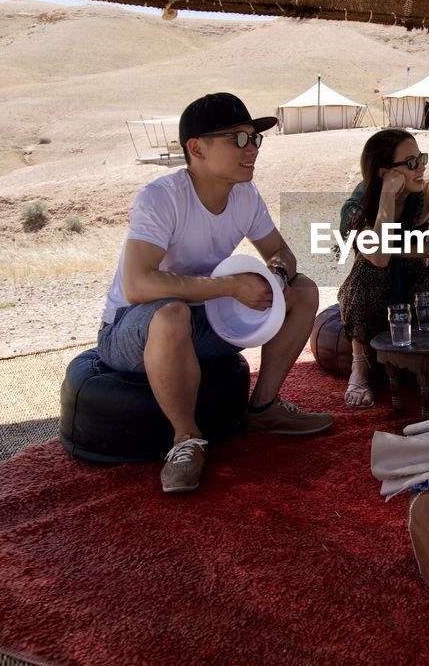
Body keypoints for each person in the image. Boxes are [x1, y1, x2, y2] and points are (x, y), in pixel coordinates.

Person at [98, 92, 331, 495]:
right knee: (170, 313)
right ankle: (186, 440)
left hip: (202, 320)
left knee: (304, 291)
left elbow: (281, 253)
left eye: (255, 139)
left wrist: (274, 276)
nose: (252, 149)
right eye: (238, 139)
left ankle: (262, 408)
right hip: (130, 333)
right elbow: (138, 285)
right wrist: (229, 287)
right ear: (197, 148)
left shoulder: (245, 195)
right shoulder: (161, 198)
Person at [337, 129, 429, 407]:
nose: (422, 167)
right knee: (368, 268)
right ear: (384, 172)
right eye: (411, 163)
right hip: (372, 299)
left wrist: (401, 250)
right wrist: (387, 194)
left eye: (421, 158)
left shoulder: (427, 191)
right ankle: (359, 365)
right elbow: (380, 258)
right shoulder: (356, 208)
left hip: (414, 290)